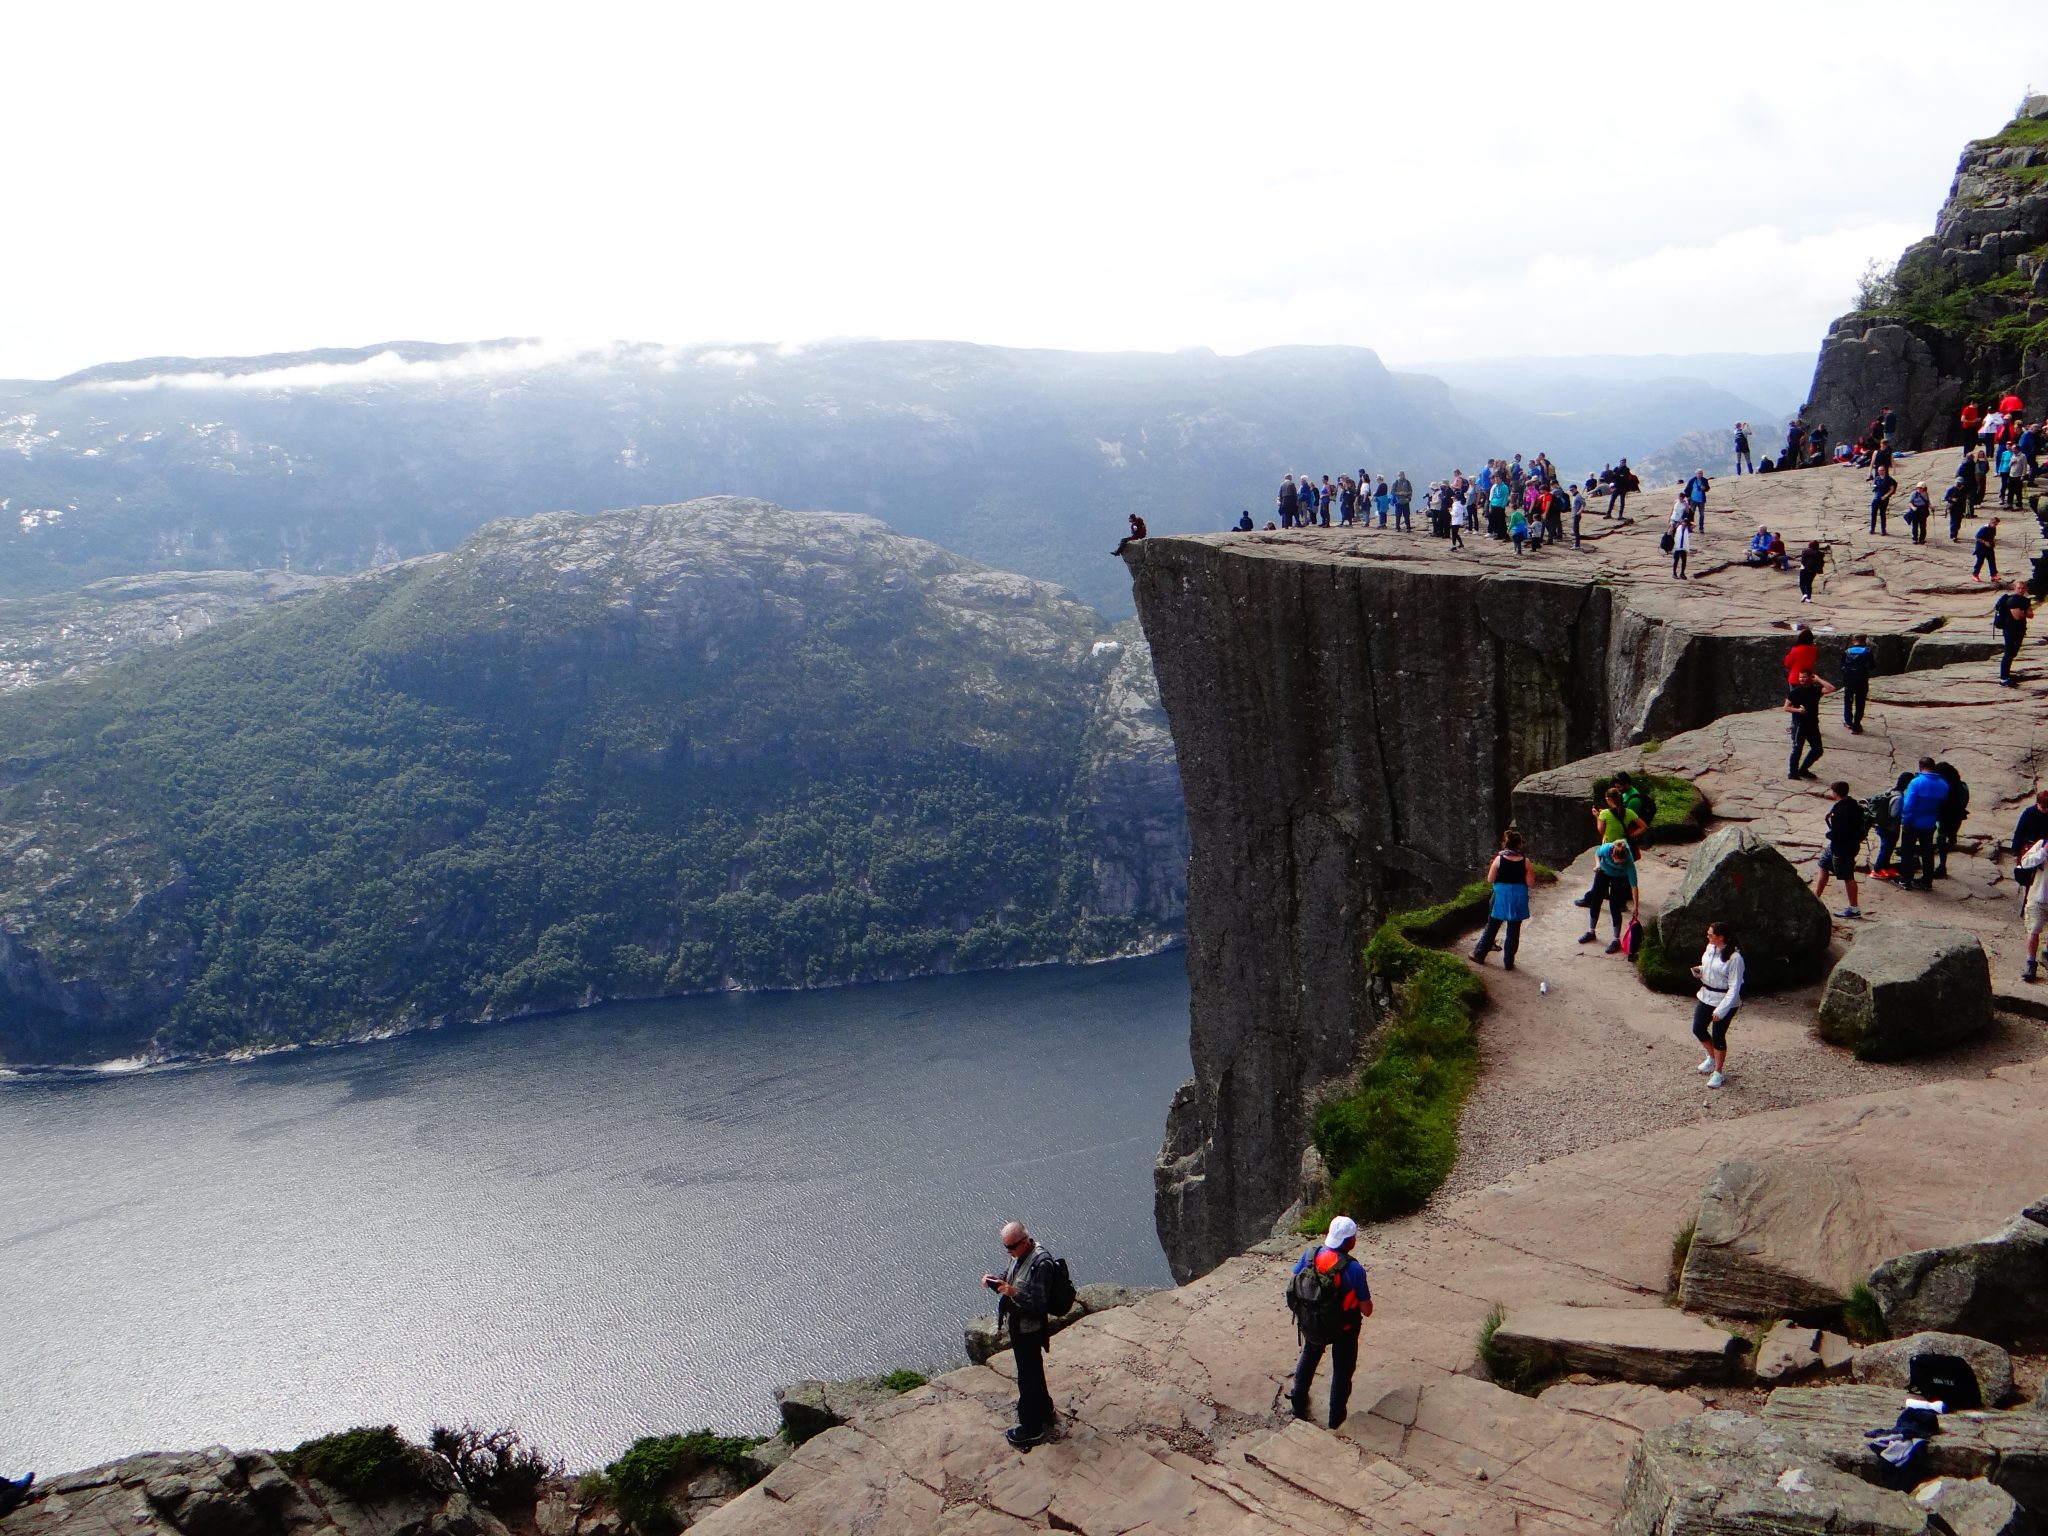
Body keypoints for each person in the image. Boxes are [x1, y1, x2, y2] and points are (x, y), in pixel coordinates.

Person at [1287, 1214, 1372, 1429]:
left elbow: (1296, 1279)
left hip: (1313, 1322)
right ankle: (1336, 1421)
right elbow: (1366, 1309)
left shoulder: (1310, 1255)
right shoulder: (1354, 1269)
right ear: (1350, 1242)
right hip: (1343, 1328)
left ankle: (1298, 1404)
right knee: (1342, 1371)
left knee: (1310, 1355)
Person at [984, 1221, 1058, 1448]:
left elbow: (1038, 1304)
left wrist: (1014, 1292)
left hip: (1030, 1329)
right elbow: (1009, 1276)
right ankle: (1045, 1409)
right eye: (1006, 1247)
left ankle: (1031, 1428)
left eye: (1012, 1247)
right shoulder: (1018, 1255)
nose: (1009, 1252)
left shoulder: (1041, 1264)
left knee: (1027, 1378)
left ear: (1025, 1241)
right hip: (1018, 1326)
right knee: (1032, 1372)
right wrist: (995, 1281)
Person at [1690, 923, 1745, 1089]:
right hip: (1707, 995)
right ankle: (1712, 1056)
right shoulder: (1710, 948)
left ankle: (1718, 1072)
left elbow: (1735, 987)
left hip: (1724, 1000)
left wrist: (1721, 1010)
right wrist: (1700, 971)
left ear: (1720, 937)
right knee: (1698, 1028)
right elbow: (1709, 968)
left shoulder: (1735, 958)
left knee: (1718, 1035)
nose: (1708, 937)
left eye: (1711, 934)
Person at [1470, 829, 1533, 970]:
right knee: (1514, 929)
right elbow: (1530, 883)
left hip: (1500, 896)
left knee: (1492, 926)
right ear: (1519, 845)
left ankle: (1479, 954)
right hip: (1518, 896)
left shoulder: (1499, 859)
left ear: (1506, 843)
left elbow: (1490, 879)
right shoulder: (1526, 862)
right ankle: (1508, 962)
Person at [1577, 836, 1640, 953]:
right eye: (1618, 863)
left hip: (1619, 878)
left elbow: (1634, 886)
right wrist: (1598, 865)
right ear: (1613, 856)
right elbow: (1597, 853)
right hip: (1603, 872)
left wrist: (1636, 906)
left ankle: (1616, 940)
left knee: (1614, 906)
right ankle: (1591, 931)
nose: (1621, 865)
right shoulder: (1606, 848)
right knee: (1595, 901)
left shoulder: (1629, 861)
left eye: (1623, 863)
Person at [1814, 782, 1867, 918]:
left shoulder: (1840, 811)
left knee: (1848, 876)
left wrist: (1829, 834)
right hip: (1845, 846)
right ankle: (1815, 898)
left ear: (1835, 793)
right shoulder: (1852, 804)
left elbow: (1838, 833)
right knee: (1823, 865)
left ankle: (1854, 908)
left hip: (1842, 849)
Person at [1898, 757, 1949, 891]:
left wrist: (1905, 820)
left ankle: (1906, 880)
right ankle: (1927, 881)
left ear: (1921, 767)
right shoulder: (1943, 784)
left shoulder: (1916, 782)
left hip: (1913, 822)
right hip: (1930, 823)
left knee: (1907, 851)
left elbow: (1908, 804)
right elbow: (1942, 804)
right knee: (1927, 852)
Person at [1784, 666, 1835, 780]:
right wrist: (1798, 710)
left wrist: (1818, 679)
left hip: (1812, 724)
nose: (1801, 679)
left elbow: (1831, 688)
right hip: (1799, 725)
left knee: (1817, 750)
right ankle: (1793, 773)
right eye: (1800, 677)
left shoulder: (1816, 690)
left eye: (1804, 677)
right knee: (1797, 749)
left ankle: (1803, 769)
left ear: (1810, 678)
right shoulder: (1795, 692)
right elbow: (1786, 708)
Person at [1870, 771, 1911, 881]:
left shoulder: (1891, 790)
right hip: (1889, 828)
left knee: (1889, 848)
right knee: (1886, 849)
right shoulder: (1899, 798)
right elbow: (1894, 814)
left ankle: (1886, 867)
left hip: (1883, 825)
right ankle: (1876, 870)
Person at [1934, 762, 1970, 879]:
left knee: (1941, 838)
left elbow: (1941, 803)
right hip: (1958, 815)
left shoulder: (1945, 788)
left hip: (1947, 815)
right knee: (1949, 835)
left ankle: (1942, 865)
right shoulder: (1963, 786)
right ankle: (1951, 839)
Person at [1994, 580, 2032, 686]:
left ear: (2026, 589)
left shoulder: (2025, 600)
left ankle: (2006, 675)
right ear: (2014, 588)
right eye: (2019, 588)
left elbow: (2031, 614)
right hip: (2010, 630)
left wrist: (2023, 612)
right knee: (2009, 653)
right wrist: (2024, 612)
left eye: (2023, 588)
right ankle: (2004, 678)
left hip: (2020, 630)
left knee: (2013, 653)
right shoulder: (2012, 600)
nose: (2021, 590)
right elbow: (2017, 616)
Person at [1840, 635, 1874, 732]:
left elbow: (1842, 666)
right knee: (1860, 703)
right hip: (1861, 680)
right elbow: (1872, 666)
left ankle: (1848, 721)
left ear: (1854, 641)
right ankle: (1856, 725)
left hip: (1849, 681)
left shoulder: (1847, 652)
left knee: (1848, 701)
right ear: (1864, 641)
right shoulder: (1867, 652)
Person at [1870, 467, 1897, 533]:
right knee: (1873, 514)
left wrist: (1886, 495)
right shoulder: (1877, 478)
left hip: (1884, 499)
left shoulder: (1888, 479)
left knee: (1882, 514)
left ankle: (1883, 530)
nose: (1880, 472)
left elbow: (1892, 489)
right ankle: (1872, 529)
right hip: (1876, 498)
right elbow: (1875, 486)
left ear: (1885, 471)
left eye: (1882, 470)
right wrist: (1872, 486)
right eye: (1879, 470)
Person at [1973, 517, 2000, 582]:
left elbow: (1993, 536)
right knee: (1980, 562)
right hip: (1981, 548)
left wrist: (1993, 542)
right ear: (1991, 522)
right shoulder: (1984, 528)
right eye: (1994, 524)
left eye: (1996, 524)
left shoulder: (1993, 528)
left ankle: (1993, 575)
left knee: (1992, 561)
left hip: (1989, 547)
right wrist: (1985, 542)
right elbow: (1977, 537)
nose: (1995, 525)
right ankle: (1975, 575)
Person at [1669, 505, 1692, 579]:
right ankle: (1674, 573)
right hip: (1677, 548)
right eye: (1684, 523)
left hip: (1683, 548)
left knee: (1684, 562)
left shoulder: (1687, 530)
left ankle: (1682, 573)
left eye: (1685, 524)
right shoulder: (1678, 528)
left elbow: (1693, 526)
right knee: (1676, 561)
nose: (1684, 524)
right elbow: (1672, 533)